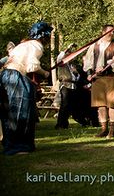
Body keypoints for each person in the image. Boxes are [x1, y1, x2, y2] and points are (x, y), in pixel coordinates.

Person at [0, 21, 52, 155]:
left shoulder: (23, 45)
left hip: (5, 75)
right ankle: (18, 147)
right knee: (20, 110)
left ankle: (9, 143)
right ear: (43, 36)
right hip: (16, 76)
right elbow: (32, 66)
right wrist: (45, 73)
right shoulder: (36, 45)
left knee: (8, 111)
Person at [83, 24, 114, 139]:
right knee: (100, 105)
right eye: (109, 31)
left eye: (113, 31)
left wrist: (106, 67)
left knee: (112, 104)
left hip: (111, 77)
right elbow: (88, 60)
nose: (111, 33)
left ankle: (112, 130)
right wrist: (89, 73)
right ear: (103, 32)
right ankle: (104, 129)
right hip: (98, 79)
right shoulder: (94, 45)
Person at [55, 43, 83, 129]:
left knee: (70, 105)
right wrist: (68, 48)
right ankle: (60, 124)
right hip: (65, 85)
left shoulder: (72, 66)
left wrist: (75, 73)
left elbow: (77, 77)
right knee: (65, 104)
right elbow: (60, 57)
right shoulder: (62, 63)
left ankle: (65, 123)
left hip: (73, 85)